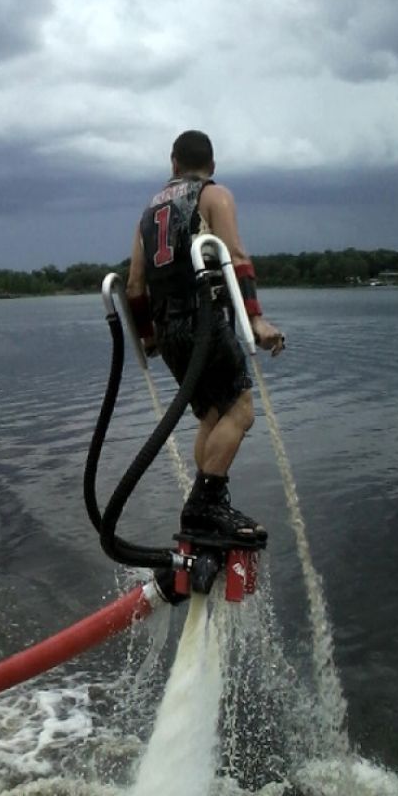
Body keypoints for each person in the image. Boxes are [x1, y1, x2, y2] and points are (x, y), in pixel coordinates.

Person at [126, 129, 284, 543]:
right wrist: (256, 321)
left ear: (173, 163)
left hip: (168, 330)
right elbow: (236, 256)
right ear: (211, 165)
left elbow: (134, 284)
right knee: (241, 411)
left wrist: (148, 338)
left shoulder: (147, 212)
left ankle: (200, 515)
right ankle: (206, 506)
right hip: (204, 322)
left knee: (212, 416)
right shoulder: (214, 195)